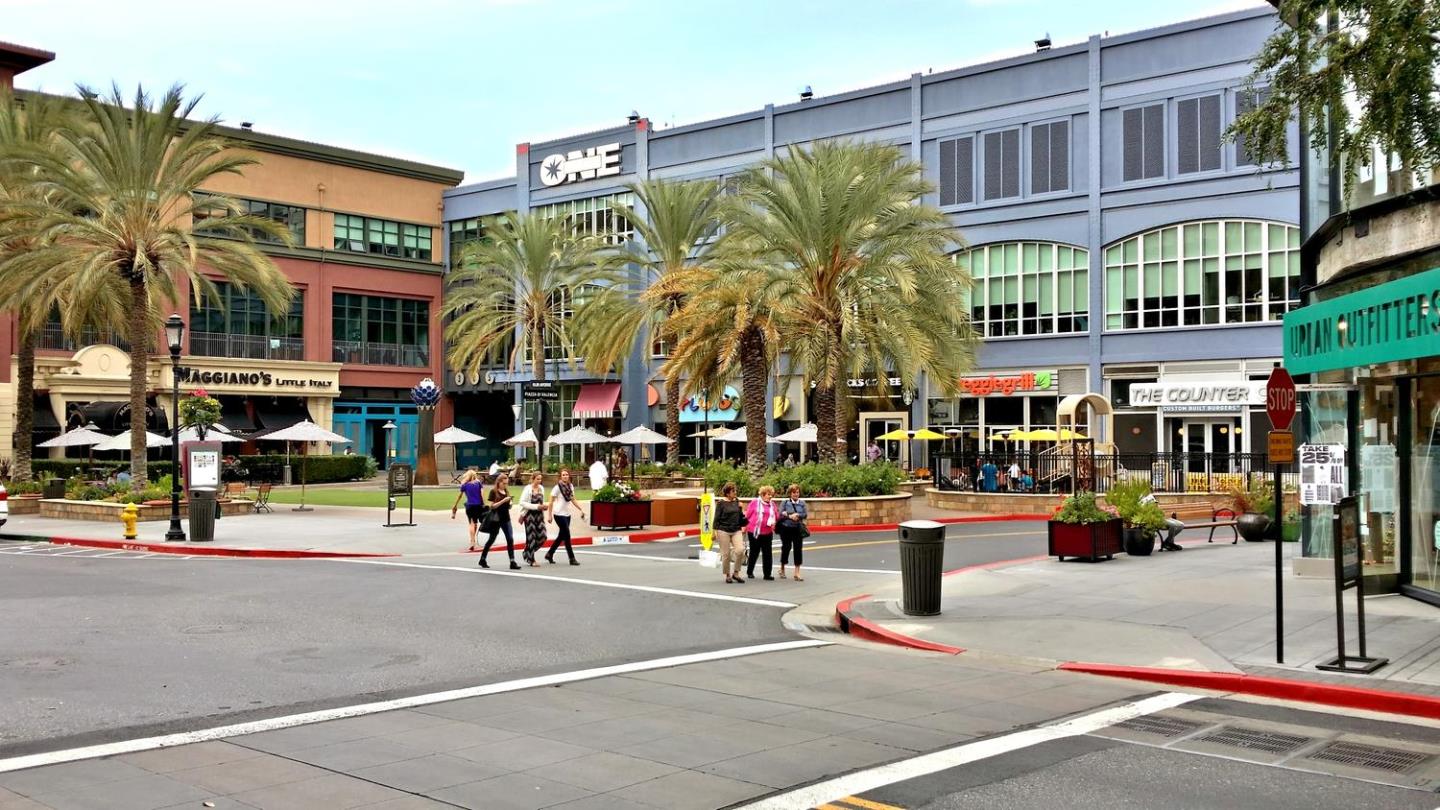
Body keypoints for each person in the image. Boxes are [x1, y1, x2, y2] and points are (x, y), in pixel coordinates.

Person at [478, 473, 519, 570]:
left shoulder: (506, 491)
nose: (505, 485)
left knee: (510, 539)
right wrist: (503, 500)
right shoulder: (493, 491)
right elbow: (492, 506)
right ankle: (483, 559)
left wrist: (510, 503)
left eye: (506, 483)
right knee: (491, 539)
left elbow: (508, 506)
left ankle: (512, 561)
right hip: (496, 519)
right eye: (503, 483)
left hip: (506, 518)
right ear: (499, 482)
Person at [545, 468, 583, 565]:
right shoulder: (557, 488)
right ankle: (572, 558)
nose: (565, 476)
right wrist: (549, 516)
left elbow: (573, 499)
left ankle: (549, 553)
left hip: (567, 514)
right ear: (560, 477)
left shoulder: (570, 486)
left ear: (569, 476)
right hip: (558, 514)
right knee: (567, 535)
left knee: (561, 536)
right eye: (563, 475)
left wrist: (581, 509)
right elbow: (551, 502)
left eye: (566, 474)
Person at [714, 482, 747, 584]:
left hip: (736, 529)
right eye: (733, 491)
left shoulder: (737, 501)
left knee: (740, 550)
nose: (735, 492)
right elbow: (716, 518)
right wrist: (714, 532)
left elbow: (741, 516)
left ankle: (736, 573)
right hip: (723, 530)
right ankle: (727, 575)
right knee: (726, 554)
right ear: (727, 493)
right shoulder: (720, 503)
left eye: (735, 490)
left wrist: (741, 508)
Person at [745, 484, 779, 581]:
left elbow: (777, 516)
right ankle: (750, 571)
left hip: (767, 532)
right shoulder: (754, 502)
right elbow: (748, 515)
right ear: (763, 494)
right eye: (768, 494)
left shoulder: (772, 504)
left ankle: (767, 574)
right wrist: (744, 526)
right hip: (754, 531)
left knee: (767, 553)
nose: (770, 496)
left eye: (771, 494)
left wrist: (775, 521)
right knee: (754, 552)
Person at [776, 483, 808, 581]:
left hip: (797, 529)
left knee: (798, 549)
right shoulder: (785, 502)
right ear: (790, 493)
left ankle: (797, 572)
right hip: (786, 528)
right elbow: (780, 514)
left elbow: (805, 514)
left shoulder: (802, 503)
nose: (796, 494)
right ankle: (782, 568)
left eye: (797, 492)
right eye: (794, 492)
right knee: (786, 548)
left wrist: (798, 515)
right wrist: (790, 516)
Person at [450, 469, 486, 552]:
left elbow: (459, 496)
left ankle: (472, 541)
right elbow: (482, 495)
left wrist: (455, 505)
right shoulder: (478, 483)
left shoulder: (465, 485)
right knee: (475, 523)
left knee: (471, 523)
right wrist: (483, 504)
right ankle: (473, 540)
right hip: (478, 506)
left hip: (469, 506)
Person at [520, 472, 548, 566]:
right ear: (533, 479)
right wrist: (536, 506)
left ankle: (526, 552)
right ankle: (531, 559)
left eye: (540, 479)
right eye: (537, 479)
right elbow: (522, 502)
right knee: (531, 537)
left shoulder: (541, 488)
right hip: (529, 515)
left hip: (539, 516)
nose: (539, 481)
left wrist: (544, 506)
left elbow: (542, 501)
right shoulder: (528, 489)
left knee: (543, 536)